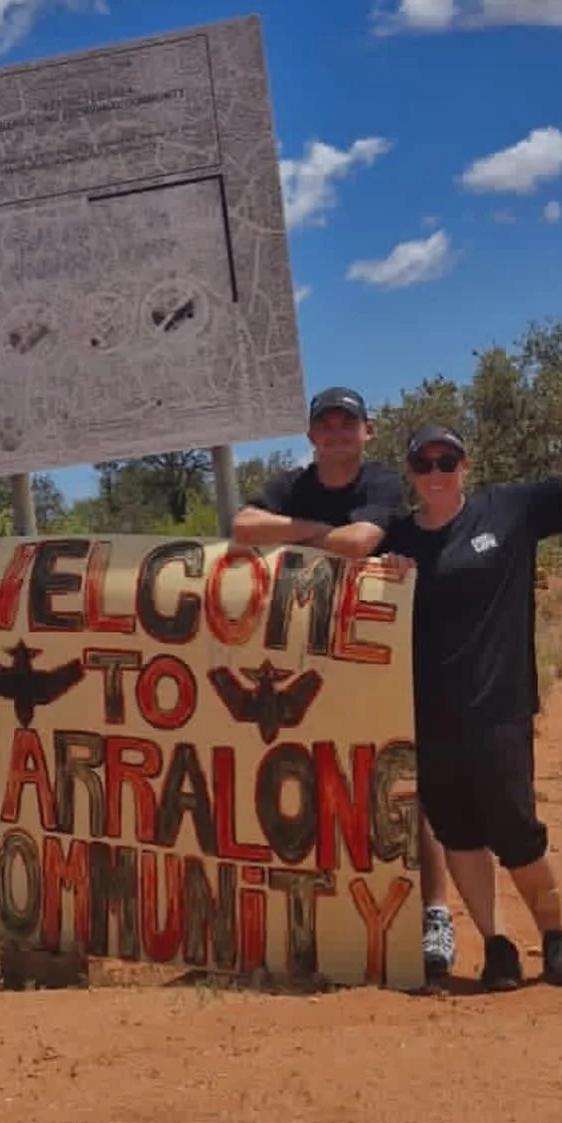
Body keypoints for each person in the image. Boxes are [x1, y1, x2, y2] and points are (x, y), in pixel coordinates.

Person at [382, 352, 562, 993]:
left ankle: (556, 937)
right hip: (432, 716)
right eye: (423, 463)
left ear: (465, 466)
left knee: (515, 828)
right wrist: (380, 576)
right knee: (459, 833)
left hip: (499, 706)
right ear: (410, 473)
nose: (436, 472)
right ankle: (496, 945)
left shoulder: (507, 510)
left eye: (447, 461)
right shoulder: (399, 543)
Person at [231, 385, 458, 979]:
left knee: (402, 782)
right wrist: (317, 531)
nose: (335, 432)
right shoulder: (293, 483)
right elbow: (242, 525)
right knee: (308, 780)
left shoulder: (379, 483)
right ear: (310, 434)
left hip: (377, 660)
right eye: (324, 424)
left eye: (346, 423)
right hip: (305, 662)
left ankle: (435, 913)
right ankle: (319, 912)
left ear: (368, 430)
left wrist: (296, 537)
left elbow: (361, 542)